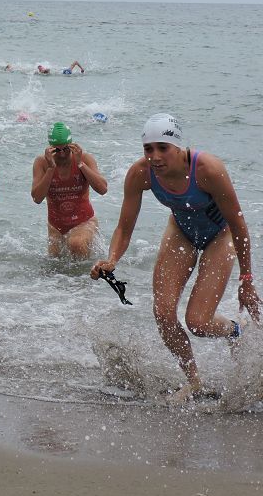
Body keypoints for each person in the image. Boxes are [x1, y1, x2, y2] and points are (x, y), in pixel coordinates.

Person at [90, 113, 261, 404]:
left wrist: (246, 279)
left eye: (162, 148)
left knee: (197, 322)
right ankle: (194, 382)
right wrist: (112, 259)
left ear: (178, 147)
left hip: (220, 237)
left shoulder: (208, 169)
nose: (154, 157)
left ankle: (236, 330)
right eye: (148, 149)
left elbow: (239, 224)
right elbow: (124, 226)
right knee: (163, 312)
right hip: (181, 231)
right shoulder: (140, 174)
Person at [31, 122, 108, 259]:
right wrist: (50, 168)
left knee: (76, 243)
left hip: (84, 222)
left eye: (65, 149)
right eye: (57, 150)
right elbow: (37, 198)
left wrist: (80, 164)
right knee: (53, 269)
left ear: (72, 145)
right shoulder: (42, 163)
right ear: (50, 148)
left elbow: (103, 189)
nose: (61, 154)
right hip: (56, 227)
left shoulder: (85, 159)